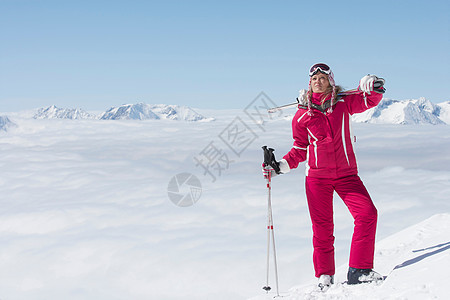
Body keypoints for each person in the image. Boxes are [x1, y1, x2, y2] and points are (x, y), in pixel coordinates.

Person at [263, 63, 385, 290]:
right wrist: (279, 166)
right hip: (317, 178)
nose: (318, 81)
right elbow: (300, 149)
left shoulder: (344, 103)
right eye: (314, 79)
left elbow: (369, 100)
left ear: (331, 81)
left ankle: (359, 270)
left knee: (368, 214)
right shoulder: (301, 116)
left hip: (347, 175)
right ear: (309, 84)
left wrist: (373, 85)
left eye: (322, 78)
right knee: (322, 228)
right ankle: (325, 275)